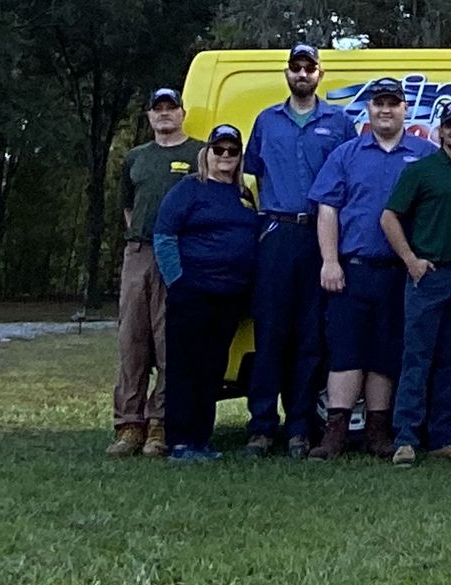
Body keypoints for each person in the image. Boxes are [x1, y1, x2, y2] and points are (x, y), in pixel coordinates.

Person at [308, 75, 435, 459]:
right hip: (352, 268)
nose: (385, 109)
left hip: (400, 272)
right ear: (368, 109)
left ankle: (379, 433)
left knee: (385, 354)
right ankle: (335, 433)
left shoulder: (425, 154)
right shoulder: (346, 153)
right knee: (346, 352)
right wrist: (330, 261)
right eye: (378, 103)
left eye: (392, 103)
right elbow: (327, 209)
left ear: (404, 109)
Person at [242, 43, 353, 459]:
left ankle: (300, 428)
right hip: (277, 232)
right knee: (269, 334)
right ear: (287, 73)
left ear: (320, 74)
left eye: (309, 67)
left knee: (311, 338)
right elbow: (248, 175)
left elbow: (350, 178)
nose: (302, 73)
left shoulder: (339, 122)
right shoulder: (267, 121)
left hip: (322, 237)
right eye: (296, 67)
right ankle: (261, 427)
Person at [381, 98, 451, 466]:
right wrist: (411, 260)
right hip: (428, 279)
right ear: (440, 131)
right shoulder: (422, 170)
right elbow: (389, 217)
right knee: (417, 358)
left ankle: (443, 437)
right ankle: (406, 439)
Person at [153, 124, 260, 461]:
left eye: (232, 150)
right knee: (186, 367)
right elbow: (164, 235)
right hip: (193, 292)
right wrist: (178, 280)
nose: (225, 156)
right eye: (219, 149)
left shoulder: (243, 195)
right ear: (207, 153)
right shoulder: (189, 189)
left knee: (213, 369)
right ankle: (180, 441)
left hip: (230, 296)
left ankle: (202, 439)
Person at [108, 87, 202, 458]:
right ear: (149, 116)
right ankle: (129, 424)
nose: (164, 114)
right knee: (132, 340)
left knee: (169, 342)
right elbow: (128, 207)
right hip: (139, 252)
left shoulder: (199, 152)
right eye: (157, 109)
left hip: (179, 254)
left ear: (183, 112)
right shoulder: (136, 158)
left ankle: (160, 423)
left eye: (171, 107)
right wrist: (139, 243)